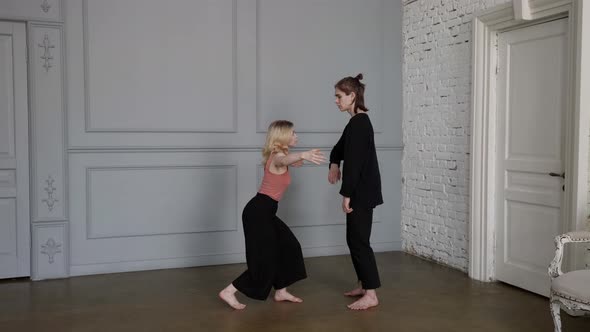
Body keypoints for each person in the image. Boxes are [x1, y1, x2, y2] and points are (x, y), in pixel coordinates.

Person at [219, 120, 327, 310]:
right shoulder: (278, 156)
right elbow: (281, 161)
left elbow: (286, 162)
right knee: (264, 259)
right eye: (293, 133)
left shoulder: (282, 154)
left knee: (289, 246)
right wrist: (302, 155)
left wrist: (298, 159)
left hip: (266, 211)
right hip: (258, 212)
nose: (296, 136)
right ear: (283, 135)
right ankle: (229, 291)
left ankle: (281, 290)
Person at [328, 73, 383, 310]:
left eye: (339, 96)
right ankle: (363, 284)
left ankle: (371, 294)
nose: (336, 101)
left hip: (362, 192)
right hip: (359, 190)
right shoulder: (354, 123)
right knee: (354, 240)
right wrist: (333, 163)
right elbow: (339, 149)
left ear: (352, 96)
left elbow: (355, 163)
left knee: (360, 242)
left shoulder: (360, 125)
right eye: (336, 96)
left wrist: (346, 194)